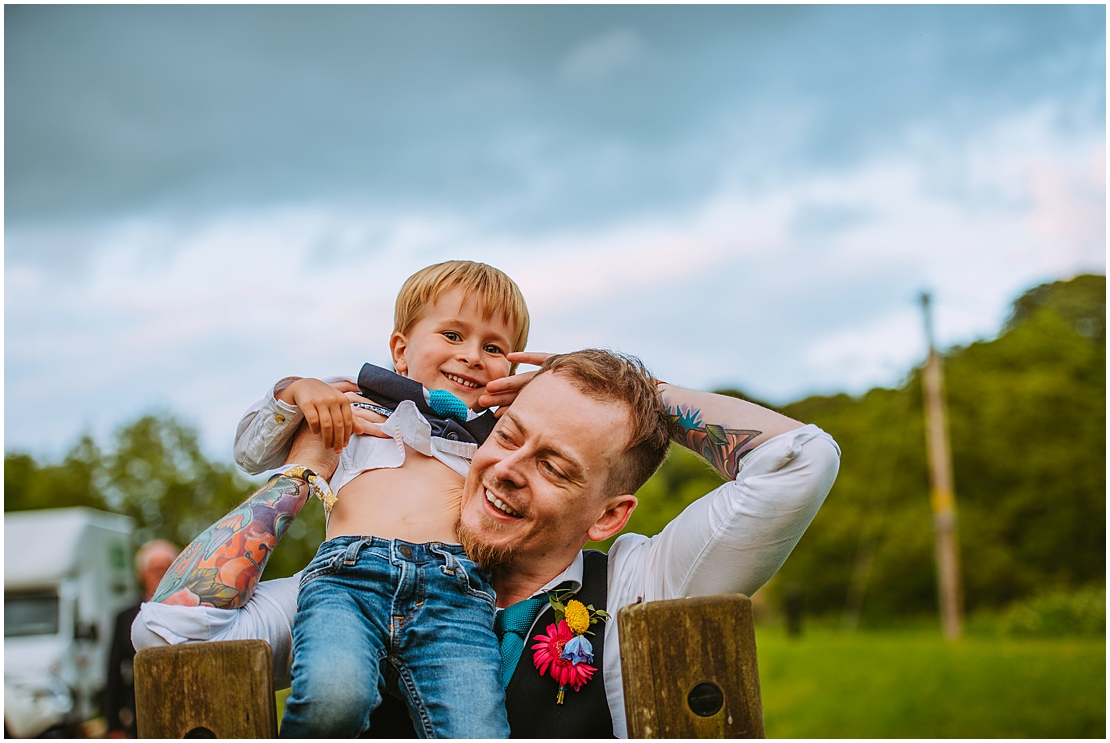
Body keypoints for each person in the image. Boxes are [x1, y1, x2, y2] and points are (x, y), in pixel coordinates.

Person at [134, 348, 840, 737]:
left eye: (554, 464)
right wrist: (304, 472)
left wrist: (646, 396)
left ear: (608, 514)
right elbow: (171, 634)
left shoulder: (637, 581)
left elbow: (798, 460)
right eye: (508, 435)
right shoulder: (362, 581)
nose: (506, 468)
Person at [159, 261, 530, 737]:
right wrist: (294, 391)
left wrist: (546, 390)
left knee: (476, 728)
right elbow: (250, 451)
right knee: (334, 696)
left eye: (494, 347)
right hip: (350, 578)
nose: (473, 356)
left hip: (455, 594)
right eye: (453, 336)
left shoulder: (500, 439)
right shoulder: (355, 404)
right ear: (401, 350)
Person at [103, 540, 179, 738]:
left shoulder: (190, 612)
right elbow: (113, 673)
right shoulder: (125, 617)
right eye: (154, 569)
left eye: (166, 568)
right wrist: (113, 725)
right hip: (140, 713)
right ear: (142, 573)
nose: (160, 575)